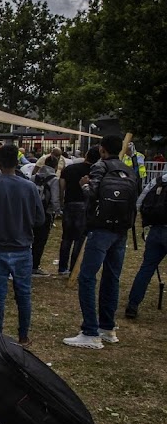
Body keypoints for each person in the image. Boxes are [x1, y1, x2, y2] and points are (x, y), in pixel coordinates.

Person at [64, 135, 139, 349]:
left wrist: (84, 185)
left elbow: (92, 193)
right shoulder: (128, 170)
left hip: (100, 228)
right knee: (111, 277)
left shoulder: (100, 167)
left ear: (102, 149)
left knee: (87, 278)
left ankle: (90, 331)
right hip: (121, 229)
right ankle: (107, 327)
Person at [0, 145, 45, 347]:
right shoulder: (29, 187)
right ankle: (23, 336)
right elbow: (40, 218)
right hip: (22, 247)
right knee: (23, 294)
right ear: (17, 162)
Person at [125, 171, 167, 319]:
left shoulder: (157, 181)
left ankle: (132, 305)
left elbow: (139, 203)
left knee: (146, 268)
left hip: (155, 230)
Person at [57, 148, 98, 275]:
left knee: (66, 237)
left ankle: (62, 267)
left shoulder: (70, 169)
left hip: (70, 203)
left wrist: (61, 202)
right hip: (85, 205)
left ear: (86, 155)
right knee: (79, 238)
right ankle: (73, 268)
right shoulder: (95, 172)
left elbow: (61, 185)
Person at [30, 155, 61, 276]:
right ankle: (35, 265)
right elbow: (54, 199)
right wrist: (56, 211)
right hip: (45, 213)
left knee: (30, 239)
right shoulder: (53, 180)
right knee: (40, 240)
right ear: (56, 166)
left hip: (32, 212)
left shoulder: (34, 177)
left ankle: (28, 263)